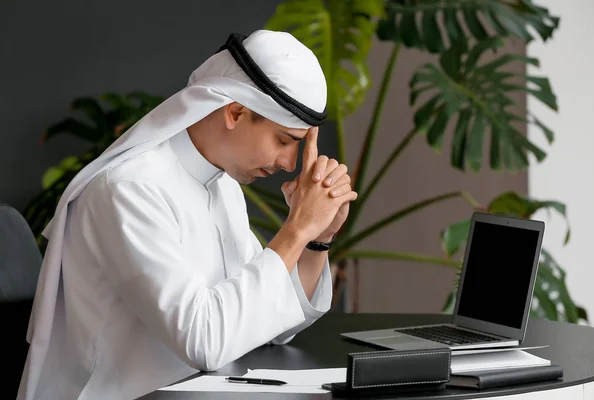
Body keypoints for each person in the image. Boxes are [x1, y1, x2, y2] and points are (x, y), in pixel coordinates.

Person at [17, 30, 358, 400]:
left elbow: (269, 325)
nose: (289, 164)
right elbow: (205, 342)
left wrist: (317, 239)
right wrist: (297, 229)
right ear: (236, 112)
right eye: (284, 140)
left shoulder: (222, 184)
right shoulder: (128, 189)